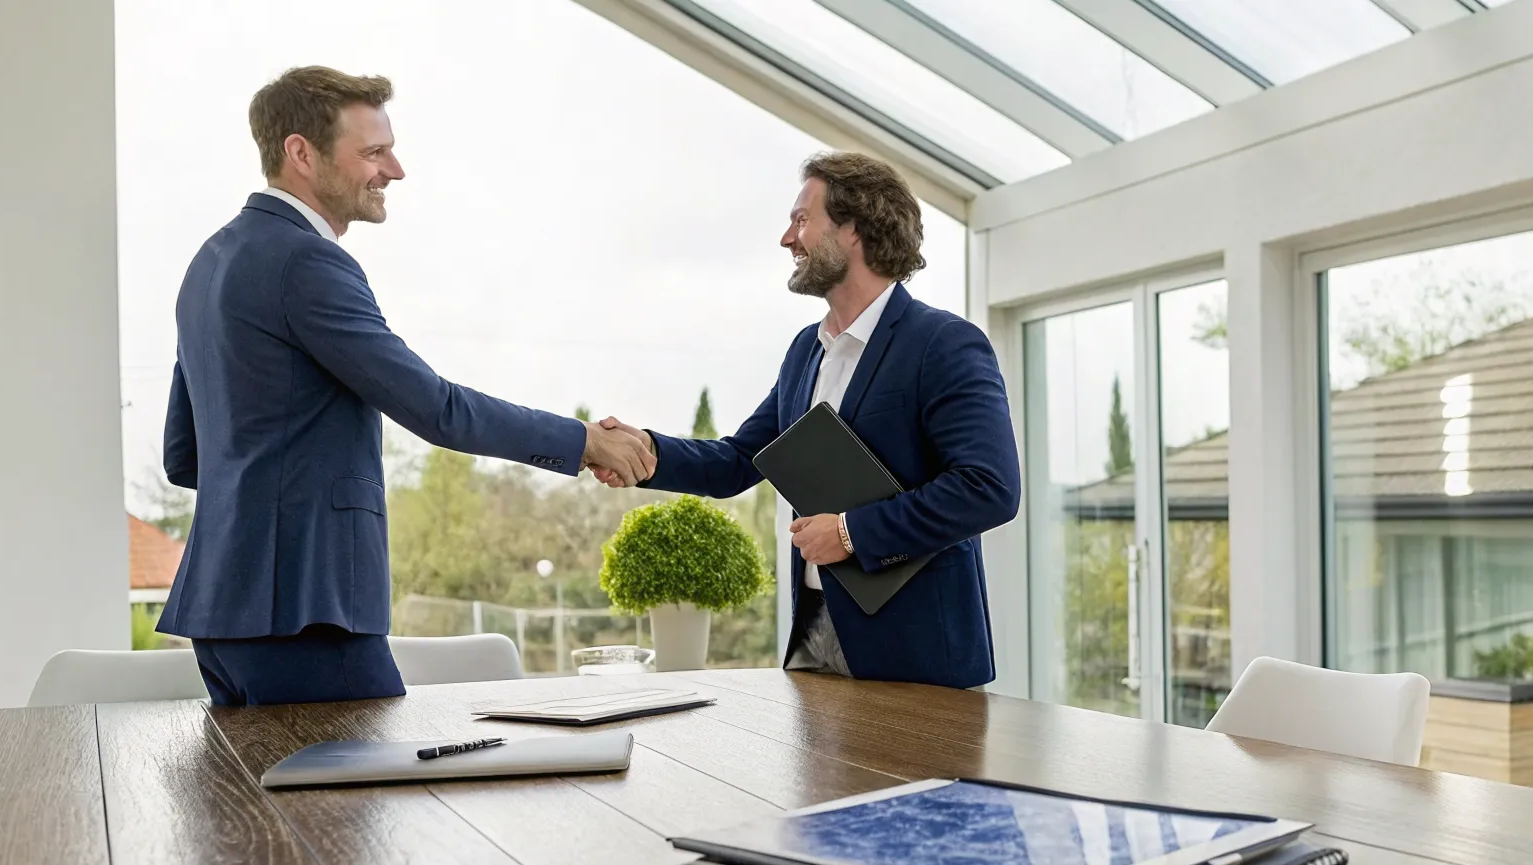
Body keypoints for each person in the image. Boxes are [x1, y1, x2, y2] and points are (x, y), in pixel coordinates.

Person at [157, 66, 655, 705]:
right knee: (361, 800)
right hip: (308, 610)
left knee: (268, 808)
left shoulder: (209, 262)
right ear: (301, 154)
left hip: (225, 612)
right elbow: (436, 408)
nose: (395, 169)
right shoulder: (307, 261)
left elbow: (184, 456)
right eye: (373, 151)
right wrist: (582, 440)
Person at [597, 152, 1020, 689]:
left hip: (917, 652)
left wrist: (850, 533)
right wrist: (646, 453)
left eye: (802, 220)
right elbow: (736, 461)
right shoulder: (806, 351)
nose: (787, 239)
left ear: (854, 229)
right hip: (816, 638)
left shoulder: (944, 344)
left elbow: (990, 488)